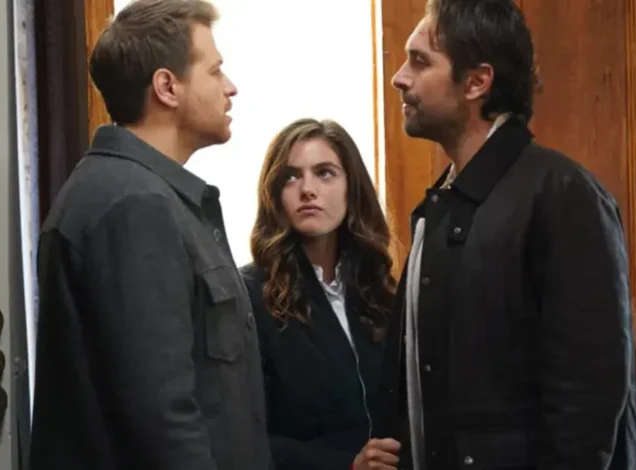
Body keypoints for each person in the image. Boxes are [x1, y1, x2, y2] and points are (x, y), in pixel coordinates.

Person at [355, 1, 636, 469]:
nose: (399, 78)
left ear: (477, 82)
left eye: (420, 61)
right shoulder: (442, 204)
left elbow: (586, 403)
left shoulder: (562, 193)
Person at [29, 1, 271, 469]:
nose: (230, 87)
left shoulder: (140, 193)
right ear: (167, 87)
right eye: (214, 71)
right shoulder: (134, 206)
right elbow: (162, 418)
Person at [239, 118, 397, 470]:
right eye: (290, 177)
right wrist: (346, 464)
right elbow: (243, 436)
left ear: (351, 187)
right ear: (274, 194)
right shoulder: (248, 294)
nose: (307, 189)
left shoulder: (381, 289)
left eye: (325, 173)